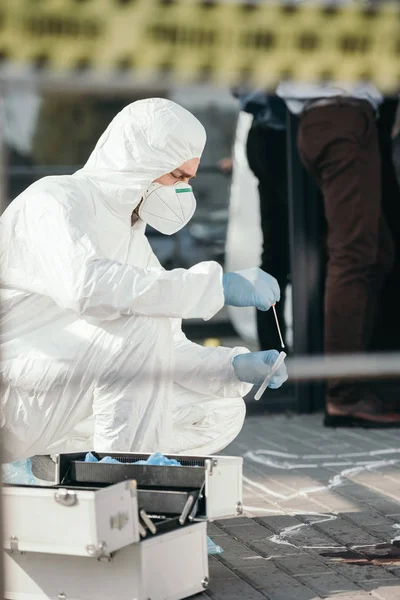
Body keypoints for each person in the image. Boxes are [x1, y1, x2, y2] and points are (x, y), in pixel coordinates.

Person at [0, 98, 288, 464]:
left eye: (188, 180)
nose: (183, 192)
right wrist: (215, 287)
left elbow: (160, 347)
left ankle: (49, 467)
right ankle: (121, 482)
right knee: (138, 321)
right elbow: (89, 287)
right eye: (177, 177)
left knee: (218, 410)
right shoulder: (54, 200)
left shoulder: (131, 234)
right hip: (14, 393)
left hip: (58, 394)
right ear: (139, 162)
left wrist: (232, 367)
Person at [276, 79, 400, 426]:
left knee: (375, 252)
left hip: (335, 117)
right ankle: (344, 395)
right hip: (341, 114)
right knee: (355, 256)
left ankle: (354, 385)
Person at [220, 90, 290, 353]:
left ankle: (274, 348)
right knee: (314, 249)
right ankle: (283, 348)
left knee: (277, 254)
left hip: (266, 132)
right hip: (280, 134)